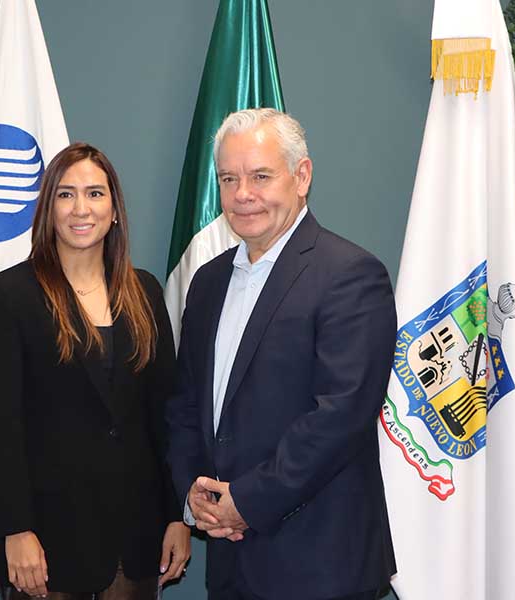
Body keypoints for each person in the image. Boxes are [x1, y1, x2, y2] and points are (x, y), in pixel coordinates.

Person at [166, 109, 397, 600]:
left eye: (260, 176)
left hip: (319, 567)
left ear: (302, 176)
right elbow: (186, 405)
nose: (242, 194)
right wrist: (194, 495)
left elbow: (340, 416)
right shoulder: (206, 283)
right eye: (229, 179)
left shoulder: (351, 275)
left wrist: (246, 501)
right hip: (231, 566)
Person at [0, 142, 190, 599]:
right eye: (66, 194)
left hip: (135, 539)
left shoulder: (146, 292)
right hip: (48, 541)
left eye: (95, 193)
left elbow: (165, 418)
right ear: (48, 207)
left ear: (114, 210)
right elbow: (1, 428)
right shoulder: (11, 295)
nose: (81, 208)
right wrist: (14, 529)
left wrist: (177, 516)